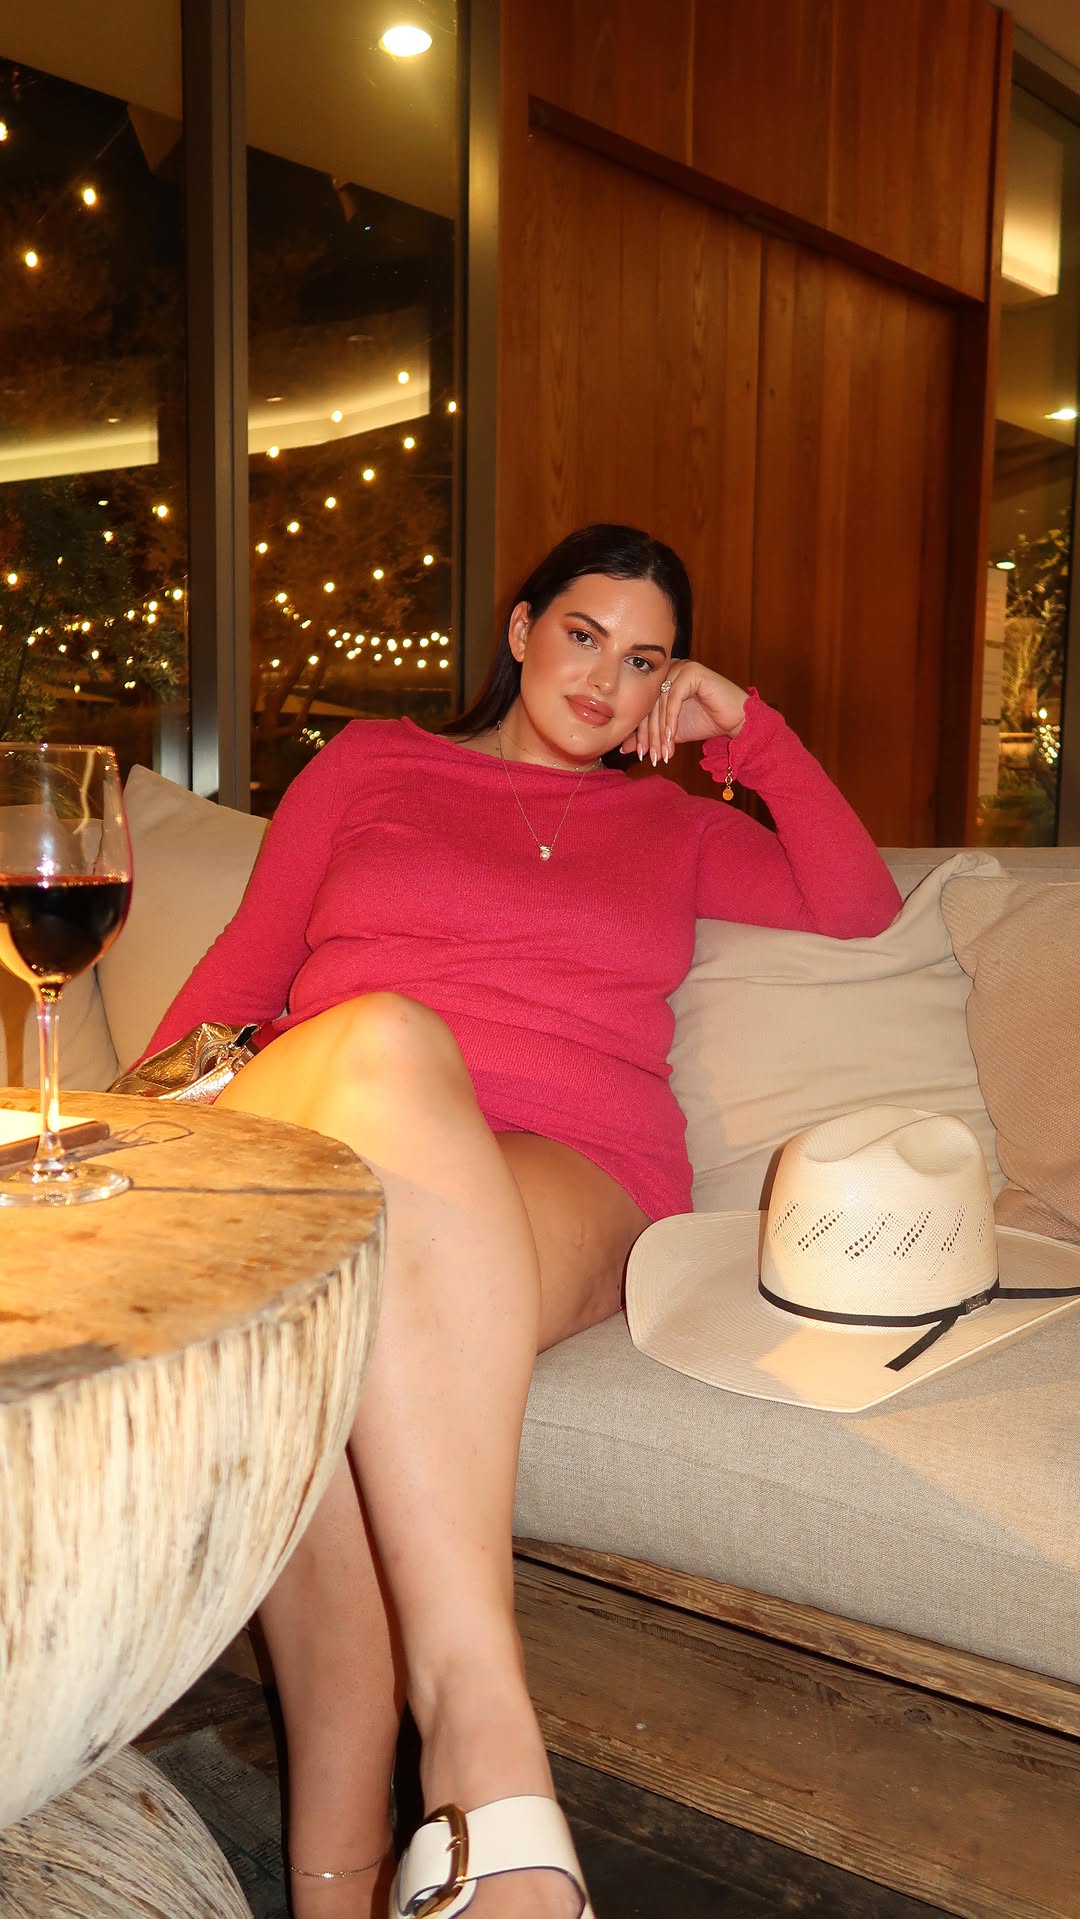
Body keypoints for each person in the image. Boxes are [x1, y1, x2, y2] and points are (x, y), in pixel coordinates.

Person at [145, 523, 901, 1917]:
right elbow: (244, 973)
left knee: (342, 1338)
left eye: (648, 661)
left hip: (573, 1163)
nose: (606, 681)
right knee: (389, 1043)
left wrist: (752, 734)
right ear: (519, 628)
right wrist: (120, 1139)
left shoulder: (677, 827)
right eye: (583, 635)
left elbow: (858, 906)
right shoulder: (372, 763)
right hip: (339, 1116)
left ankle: (341, 1884)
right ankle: (485, 1752)